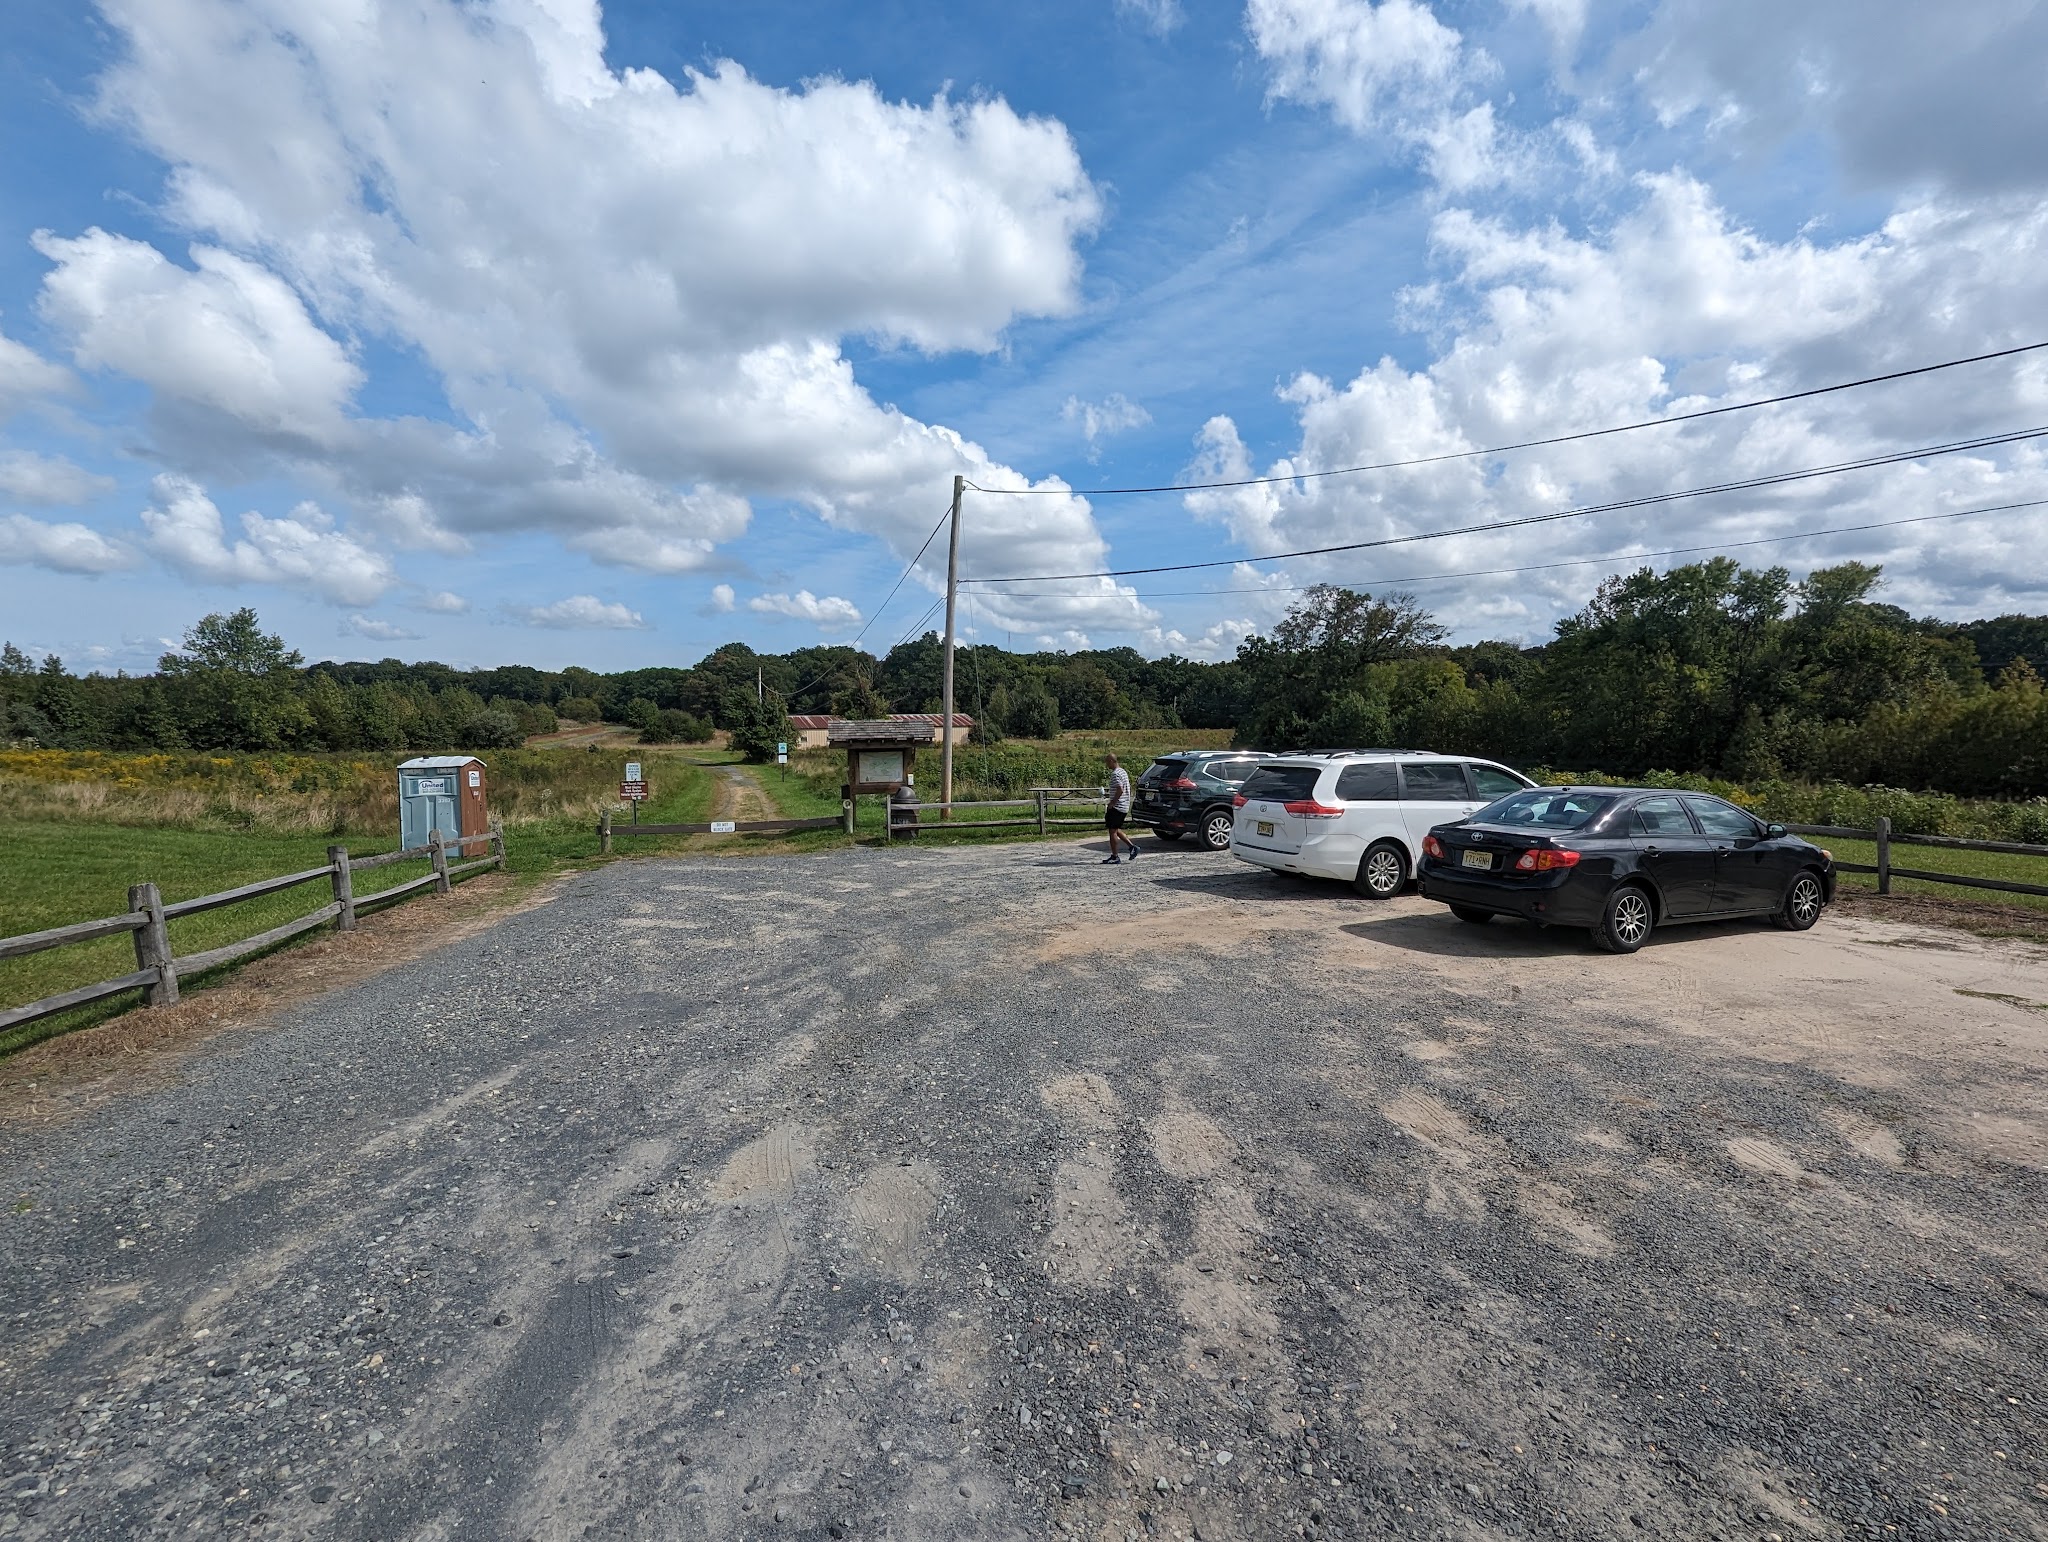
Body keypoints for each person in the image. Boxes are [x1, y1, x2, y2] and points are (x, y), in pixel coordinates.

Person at [1102, 753, 1138, 864]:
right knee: (1116, 829)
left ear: (1112, 761)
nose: (1107, 764)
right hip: (1124, 805)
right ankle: (1132, 847)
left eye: (1107, 762)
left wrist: (1112, 802)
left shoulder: (1115, 774)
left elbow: (1120, 789)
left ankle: (1115, 856)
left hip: (1118, 806)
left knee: (1112, 831)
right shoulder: (1123, 771)